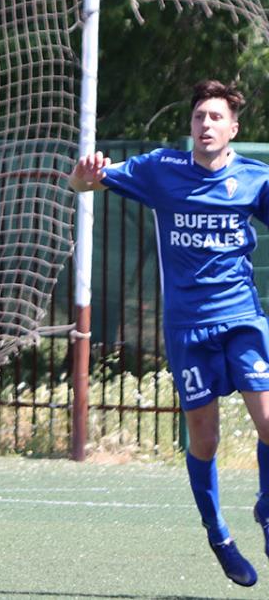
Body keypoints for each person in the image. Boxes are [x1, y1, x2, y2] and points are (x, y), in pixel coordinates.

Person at [69, 79, 269, 588]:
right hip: (189, 328)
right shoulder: (161, 170)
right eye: (200, 116)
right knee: (205, 437)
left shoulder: (254, 179)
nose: (206, 124)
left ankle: (267, 507)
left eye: (216, 117)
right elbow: (84, 185)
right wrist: (82, 176)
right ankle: (218, 534)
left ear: (234, 128)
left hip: (242, 317)